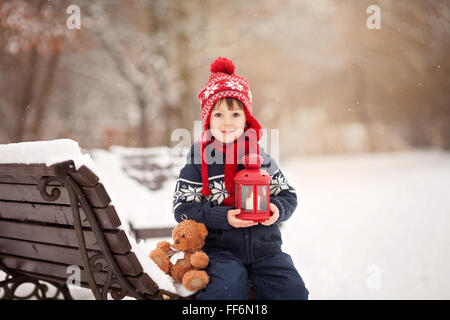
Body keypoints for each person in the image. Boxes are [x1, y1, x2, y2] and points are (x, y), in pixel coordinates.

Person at [172, 57, 309, 300]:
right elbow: (183, 208)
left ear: (246, 119)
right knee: (226, 289)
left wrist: (276, 210)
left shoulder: (261, 159)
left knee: (292, 290)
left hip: (266, 250)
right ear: (208, 120)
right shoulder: (197, 161)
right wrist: (223, 217)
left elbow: (288, 194)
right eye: (218, 114)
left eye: (235, 114)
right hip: (219, 251)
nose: (227, 122)